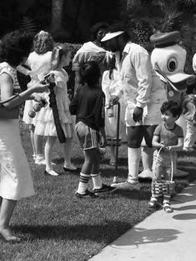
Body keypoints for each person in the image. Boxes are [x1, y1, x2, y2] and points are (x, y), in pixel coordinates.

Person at [0, 30, 49, 242]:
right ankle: (3, 226)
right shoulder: (6, 72)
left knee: (2, 174)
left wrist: (32, 93)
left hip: (3, 126)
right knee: (14, 174)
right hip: (4, 130)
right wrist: (33, 90)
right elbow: (7, 103)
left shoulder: (4, 67)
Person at [101, 26, 167, 189]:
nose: (107, 45)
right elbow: (125, 81)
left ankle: (160, 178)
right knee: (133, 139)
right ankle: (133, 180)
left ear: (120, 38)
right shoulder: (119, 56)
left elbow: (145, 81)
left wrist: (140, 105)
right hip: (133, 102)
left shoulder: (137, 52)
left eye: (110, 41)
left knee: (153, 140)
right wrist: (116, 95)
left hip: (151, 102)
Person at [70, 61, 116, 198]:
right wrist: (102, 135)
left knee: (94, 156)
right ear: (98, 77)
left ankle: (98, 186)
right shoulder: (99, 94)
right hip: (89, 128)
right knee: (89, 159)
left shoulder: (81, 89)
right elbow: (99, 117)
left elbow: (72, 108)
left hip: (79, 125)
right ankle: (81, 190)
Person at [34, 44, 78, 176]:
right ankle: (48, 166)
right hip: (55, 108)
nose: (71, 59)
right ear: (62, 57)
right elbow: (43, 87)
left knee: (69, 136)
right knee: (52, 137)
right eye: (69, 56)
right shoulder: (52, 74)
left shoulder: (63, 72)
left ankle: (68, 162)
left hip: (64, 105)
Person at [21, 30, 54, 165]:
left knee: (33, 125)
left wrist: (28, 72)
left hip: (31, 90)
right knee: (40, 125)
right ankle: (40, 156)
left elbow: (16, 64)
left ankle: (36, 154)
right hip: (44, 90)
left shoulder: (30, 56)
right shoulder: (51, 55)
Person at [148, 101, 184, 212]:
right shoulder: (159, 127)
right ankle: (154, 196)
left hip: (171, 158)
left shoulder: (179, 130)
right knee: (156, 176)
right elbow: (153, 142)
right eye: (163, 113)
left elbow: (181, 145)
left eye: (167, 114)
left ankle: (166, 200)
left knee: (169, 179)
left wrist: (173, 148)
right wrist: (159, 145)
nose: (163, 116)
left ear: (176, 117)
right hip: (159, 157)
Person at [72, 22, 112, 93]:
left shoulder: (110, 48)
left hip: (105, 83)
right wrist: (79, 79)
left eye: (105, 33)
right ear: (95, 34)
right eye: (100, 33)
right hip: (88, 85)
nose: (103, 35)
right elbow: (76, 63)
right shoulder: (87, 48)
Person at [101, 56, 126, 165]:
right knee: (112, 130)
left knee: (122, 128)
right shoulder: (108, 74)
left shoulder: (123, 72)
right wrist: (108, 105)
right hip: (112, 103)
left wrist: (119, 96)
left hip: (122, 103)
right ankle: (112, 156)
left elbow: (124, 87)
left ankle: (125, 155)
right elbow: (105, 90)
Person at [182, 80, 196, 151]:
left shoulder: (185, 97)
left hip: (186, 117)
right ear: (194, 90)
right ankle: (187, 146)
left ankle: (189, 143)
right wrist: (194, 119)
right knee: (191, 132)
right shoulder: (192, 99)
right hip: (191, 118)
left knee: (190, 131)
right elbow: (193, 110)